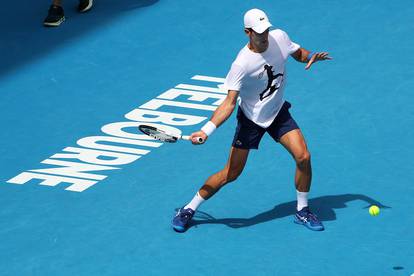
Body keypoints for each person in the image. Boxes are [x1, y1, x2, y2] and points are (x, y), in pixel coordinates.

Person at [172, 8, 332, 232]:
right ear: (247, 32)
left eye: (266, 29)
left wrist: (310, 57)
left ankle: (303, 210)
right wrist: (206, 130)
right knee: (231, 173)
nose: (264, 35)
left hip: (277, 113)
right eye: (258, 32)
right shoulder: (241, 64)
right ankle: (188, 209)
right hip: (251, 120)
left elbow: (298, 53)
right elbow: (229, 103)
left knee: (303, 156)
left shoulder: (279, 37)